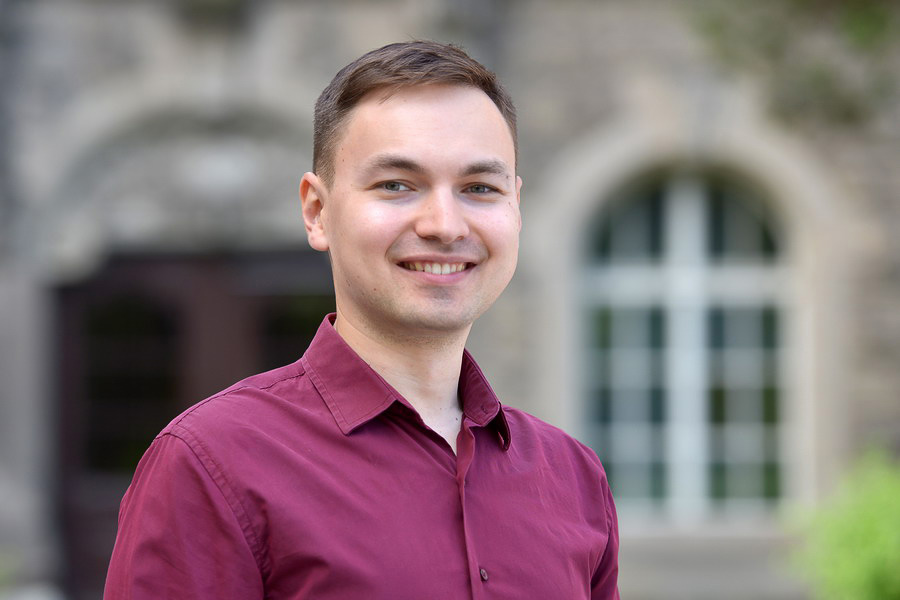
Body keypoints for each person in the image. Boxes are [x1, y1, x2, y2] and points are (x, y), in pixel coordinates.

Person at [104, 40, 619, 599]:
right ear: (317, 212)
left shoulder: (573, 478)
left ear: (515, 207)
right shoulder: (211, 462)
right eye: (397, 185)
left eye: (479, 188)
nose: (445, 225)